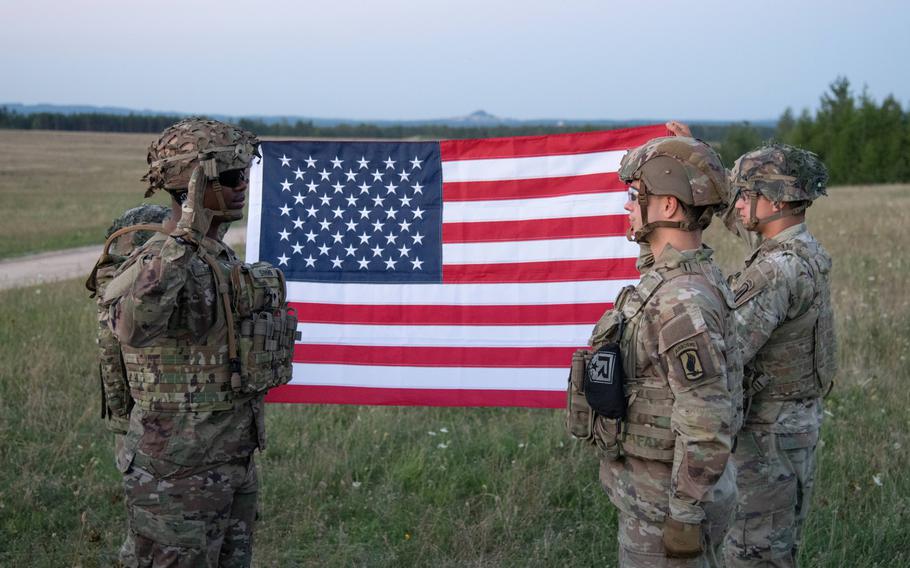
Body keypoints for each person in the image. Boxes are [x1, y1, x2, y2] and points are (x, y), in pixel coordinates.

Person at [90, 118, 299, 567]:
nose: (242, 184)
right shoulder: (160, 257)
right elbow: (132, 325)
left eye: (245, 173)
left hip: (230, 460)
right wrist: (184, 231)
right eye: (227, 177)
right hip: (175, 471)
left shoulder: (214, 253)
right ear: (192, 183)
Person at [569, 136, 743, 566]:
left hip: (665, 508)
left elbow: (705, 417)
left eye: (635, 196)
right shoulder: (683, 275)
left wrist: (683, 517)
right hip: (655, 499)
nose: (628, 207)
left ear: (668, 206)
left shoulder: (680, 300)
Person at [721, 144, 836, 567]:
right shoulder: (804, 249)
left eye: (747, 193)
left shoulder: (774, 270)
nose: (739, 203)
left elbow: (729, 348)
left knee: (756, 550)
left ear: (777, 200)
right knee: (779, 543)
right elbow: (737, 216)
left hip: (769, 431)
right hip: (792, 423)